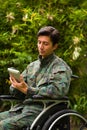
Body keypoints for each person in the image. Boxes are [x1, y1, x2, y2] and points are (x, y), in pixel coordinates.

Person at [0, 26, 72, 130]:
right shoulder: (32, 66)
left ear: (55, 46)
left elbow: (58, 91)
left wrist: (28, 90)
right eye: (39, 42)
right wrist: (15, 86)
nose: (41, 46)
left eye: (45, 44)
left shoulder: (61, 67)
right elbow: (18, 93)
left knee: (2, 126)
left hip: (42, 111)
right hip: (22, 109)